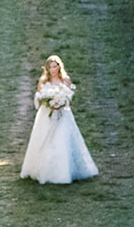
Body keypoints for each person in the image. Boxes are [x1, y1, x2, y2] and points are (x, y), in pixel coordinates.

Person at [20, 54, 99, 184]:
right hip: (47, 114)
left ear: (59, 67)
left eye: (55, 66)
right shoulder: (43, 81)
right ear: (47, 69)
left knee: (62, 139)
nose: (53, 69)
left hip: (63, 114)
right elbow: (39, 96)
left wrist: (60, 103)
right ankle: (43, 170)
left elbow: (69, 97)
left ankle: (64, 172)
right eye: (50, 67)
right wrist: (49, 104)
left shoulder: (66, 80)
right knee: (45, 140)